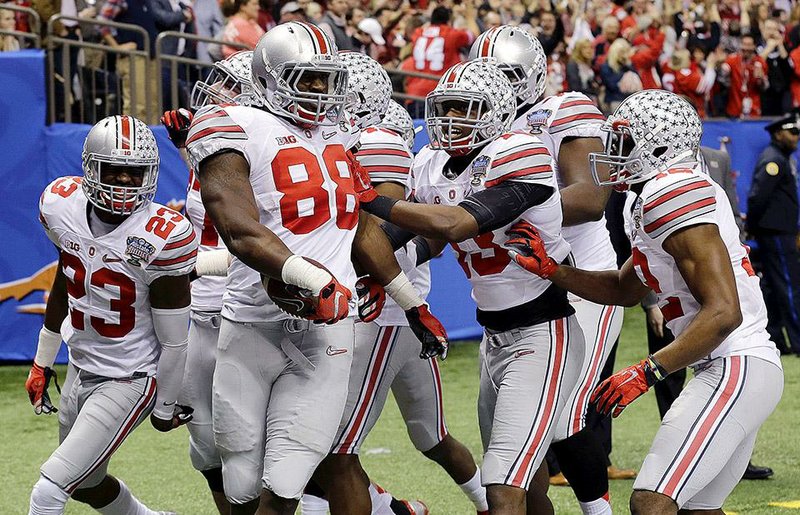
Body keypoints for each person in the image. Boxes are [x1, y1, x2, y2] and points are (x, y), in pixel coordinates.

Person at [184, 22, 447, 515]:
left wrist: (410, 302)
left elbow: (359, 226)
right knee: (239, 481)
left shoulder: (340, 135)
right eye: (306, 79)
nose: (319, 93)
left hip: (328, 328)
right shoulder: (231, 124)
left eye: (326, 80)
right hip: (249, 325)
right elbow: (239, 228)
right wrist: (312, 279)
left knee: (287, 481)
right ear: (269, 77)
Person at [508, 89, 783, 514]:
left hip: (736, 361)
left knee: (651, 500)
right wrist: (553, 270)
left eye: (623, 142)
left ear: (657, 146)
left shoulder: (671, 190)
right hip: (732, 364)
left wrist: (649, 369)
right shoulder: (648, 194)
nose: (611, 153)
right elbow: (624, 288)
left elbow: (724, 312)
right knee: (697, 509)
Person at [356, 59, 587, 515]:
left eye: (465, 108)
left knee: (501, 484)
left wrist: (369, 197)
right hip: (494, 336)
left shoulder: (519, 152)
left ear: (498, 110)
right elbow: (407, 238)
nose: (451, 120)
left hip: (545, 330)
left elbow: (456, 222)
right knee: (528, 484)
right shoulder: (430, 163)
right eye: (446, 108)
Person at [303, 53, 488, 515]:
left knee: (334, 447)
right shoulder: (326, 141)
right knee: (431, 435)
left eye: (330, 89)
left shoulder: (379, 141)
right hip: (389, 311)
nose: (321, 98)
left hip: (381, 314)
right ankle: (467, 505)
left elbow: (383, 231)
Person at [470, 25, 623, 514]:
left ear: (534, 75)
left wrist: (498, 207)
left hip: (582, 280)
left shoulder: (564, 110)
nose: (499, 87)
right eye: (489, 75)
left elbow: (591, 197)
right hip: (516, 288)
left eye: (509, 75)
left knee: (567, 414)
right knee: (508, 429)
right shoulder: (478, 126)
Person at [27, 115, 198, 515]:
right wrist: (42, 359)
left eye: (133, 173)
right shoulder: (60, 204)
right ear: (90, 168)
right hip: (81, 368)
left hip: (129, 378)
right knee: (85, 483)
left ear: (151, 175)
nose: (123, 181)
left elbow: (175, 340)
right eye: (114, 171)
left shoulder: (162, 235)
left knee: (49, 491)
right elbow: (64, 280)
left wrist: (164, 407)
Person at [160, 50, 259, 515]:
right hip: (202, 313)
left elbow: (262, 247)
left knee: (259, 441)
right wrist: (188, 148)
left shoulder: (267, 154)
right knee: (202, 442)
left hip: (251, 312)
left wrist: (195, 265)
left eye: (230, 88)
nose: (215, 94)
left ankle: (380, 506)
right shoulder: (216, 144)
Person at [747, 112, 800, 356]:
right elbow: (758, 197)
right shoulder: (774, 161)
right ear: (779, 133)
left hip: (778, 232)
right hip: (776, 233)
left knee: (774, 286)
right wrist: (755, 227)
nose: (796, 137)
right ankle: (798, 340)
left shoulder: (781, 157)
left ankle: (778, 337)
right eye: (793, 132)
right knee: (788, 285)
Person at [404, 6, 478, 100]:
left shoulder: (418, 33)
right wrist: (470, 17)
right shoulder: (451, 34)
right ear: (448, 21)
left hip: (414, 93)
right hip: (438, 95)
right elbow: (474, 35)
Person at [718, 34, 768, 118]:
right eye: (744, 44)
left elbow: (765, 87)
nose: (746, 48)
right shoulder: (732, 59)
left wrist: (761, 79)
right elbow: (722, 78)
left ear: (754, 46)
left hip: (754, 110)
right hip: (734, 109)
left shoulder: (760, 62)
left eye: (749, 45)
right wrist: (721, 66)